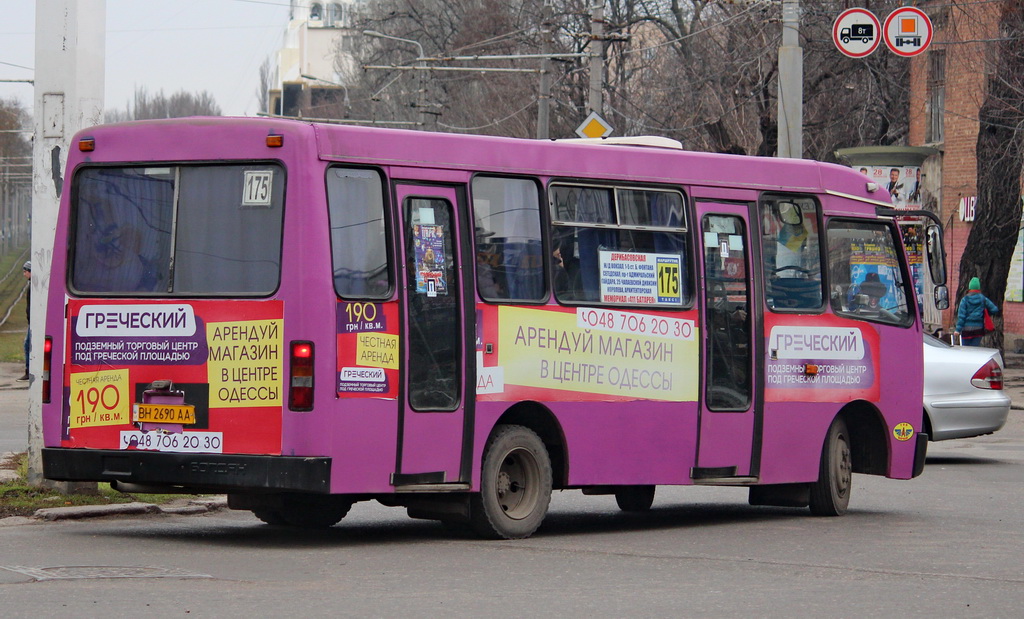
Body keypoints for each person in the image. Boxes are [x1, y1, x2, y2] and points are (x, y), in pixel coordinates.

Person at [955, 276, 999, 346]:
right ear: (978, 288)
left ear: (970, 287)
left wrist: (957, 330)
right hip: (978, 329)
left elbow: (961, 316)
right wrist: (986, 313)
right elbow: (994, 309)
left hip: (966, 329)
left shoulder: (965, 299)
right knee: (975, 350)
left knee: (965, 350)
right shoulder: (983, 299)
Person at [18, 261, 30, 381]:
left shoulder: (33, 286)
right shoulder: (31, 285)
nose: (24, 273)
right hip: (31, 322)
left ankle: (29, 370)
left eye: (25, 271)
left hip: (32, 323)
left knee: (27, 345)